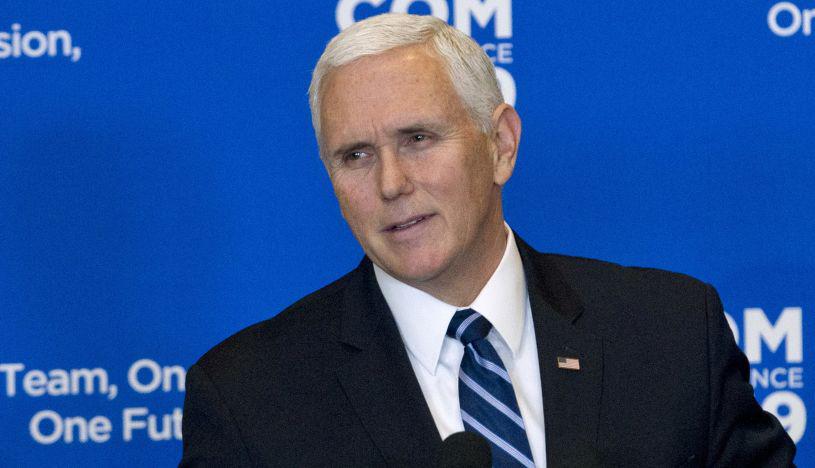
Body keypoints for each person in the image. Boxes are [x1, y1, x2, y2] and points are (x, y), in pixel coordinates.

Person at [180, 13, 796, 467]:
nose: (391, 183)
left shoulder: (671, 333)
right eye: (356, 155)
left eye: (418, 139)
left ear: (501, 144)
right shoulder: (249, 397)